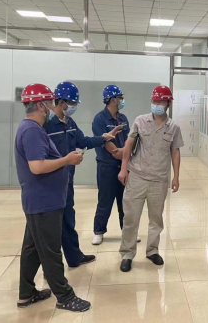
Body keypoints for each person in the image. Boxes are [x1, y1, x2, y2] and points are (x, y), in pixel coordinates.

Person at [15, 83, 112, 312]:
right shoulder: (32, 131)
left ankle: (26, 293)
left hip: (43, 200)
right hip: (44, 201)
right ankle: (65, 296)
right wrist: (67, 160)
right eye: (49, 102)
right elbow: (37, 166)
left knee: (33, 248)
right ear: (41, 105)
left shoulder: (34, 128)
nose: (51, 106)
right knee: (50, 251)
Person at [45, 81, 122, 267]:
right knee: (52, 227)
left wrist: (103, 138)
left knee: (68, 219)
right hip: (51, 184)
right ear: (61, 102)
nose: (74, 107)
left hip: (67, 181)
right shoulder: (47, 126)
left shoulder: (70, 123)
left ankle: (74, 257)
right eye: (72, 103)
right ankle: (52, 268)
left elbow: (84, 141)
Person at [118, 86, 183, 272]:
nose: (156, 104)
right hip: (137, 177)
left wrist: (176, 176)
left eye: (160, 101)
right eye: (154, 101)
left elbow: (175, 151)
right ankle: (127, 253)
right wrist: (123, 169)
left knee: (156, 219)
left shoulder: (173, 127)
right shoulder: (140, 121)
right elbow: (128, 145)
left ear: (168, 104)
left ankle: (152, 250)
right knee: (131, 218)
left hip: (159, 180)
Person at [91, 84, 137, 245]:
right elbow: (107, 145)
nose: (122, 100)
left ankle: (127, 231)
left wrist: (124, 152)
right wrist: (120, 152)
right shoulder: (100, 119)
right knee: (105, 200)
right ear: (112, 100)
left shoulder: (123, 119)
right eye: (120, 98)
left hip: (123, 165)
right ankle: (98, 231)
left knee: (125, 201)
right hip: (107, 166)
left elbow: (129, 140)